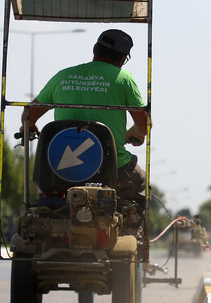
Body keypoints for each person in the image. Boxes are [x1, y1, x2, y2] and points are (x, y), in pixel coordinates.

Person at [21, 29, 148, 203]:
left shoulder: (62, 76)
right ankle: (131, 229)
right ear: (122, 59)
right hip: (111, 168)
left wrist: (29, 126)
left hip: (59, 169)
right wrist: (135, 133)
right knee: (139, 186)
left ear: (95, 49)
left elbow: (29, 114)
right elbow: (143, 123)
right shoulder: (124, 79)